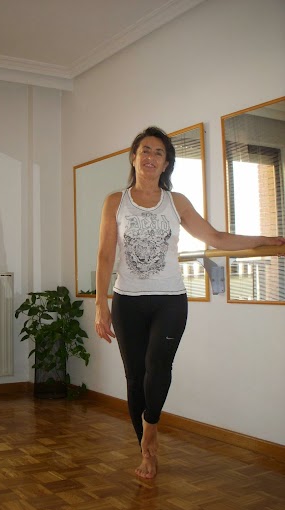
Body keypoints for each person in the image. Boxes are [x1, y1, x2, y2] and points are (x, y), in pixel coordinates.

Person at [94, 126, 285, 480]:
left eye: (159, 153)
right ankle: (146, 451)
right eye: (145, 150)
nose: (151, 157)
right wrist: (100, 304)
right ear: (134, 157)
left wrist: (264, 240)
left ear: (166, 164)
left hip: (170, 300)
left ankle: (151, 425)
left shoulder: (176, 202)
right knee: (135, 379)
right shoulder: (115, 202)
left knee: (158, 367)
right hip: (127, 301)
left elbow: (216, 237)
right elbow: (106, 255)